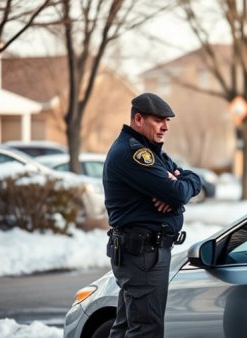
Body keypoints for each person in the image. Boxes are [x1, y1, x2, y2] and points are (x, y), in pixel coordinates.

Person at [103, 92, 202, 337]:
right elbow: (178, 194)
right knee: (146, 330)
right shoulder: (134, 153)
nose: (165, 127)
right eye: (159, 120)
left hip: (142, 254)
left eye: (167, 121)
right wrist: (175, 193)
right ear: (139, 119)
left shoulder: (151, 150)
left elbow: (192, 179)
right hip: (143, 254)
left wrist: (177, 188)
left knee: (127, 327)